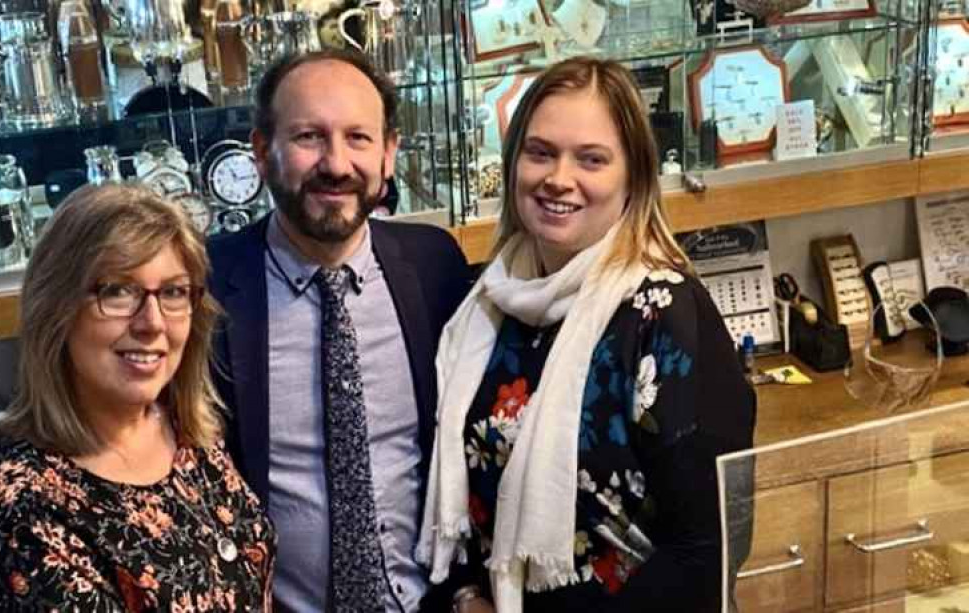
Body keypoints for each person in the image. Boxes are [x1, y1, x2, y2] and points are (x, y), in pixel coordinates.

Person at [416, 57, 757, 612]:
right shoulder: (485, 303)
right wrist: (466, 596)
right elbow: (462, 499)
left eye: (591, 159)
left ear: (634, 178)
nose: (558, 178)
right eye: (540, 152)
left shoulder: (667, 314)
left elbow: (708, 552)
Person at [207, 49, 472, 612]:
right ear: (261, 152)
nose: (336, 163)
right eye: (308, 136)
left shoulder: (436, 267)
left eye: (358, 138)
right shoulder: (204, 287)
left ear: (389, 154)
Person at [0, 184, 276, 610]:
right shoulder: (20, 507)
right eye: (117, 290)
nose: (151, 323)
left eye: (172, 292)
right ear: (56, 308)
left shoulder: (182, 427)